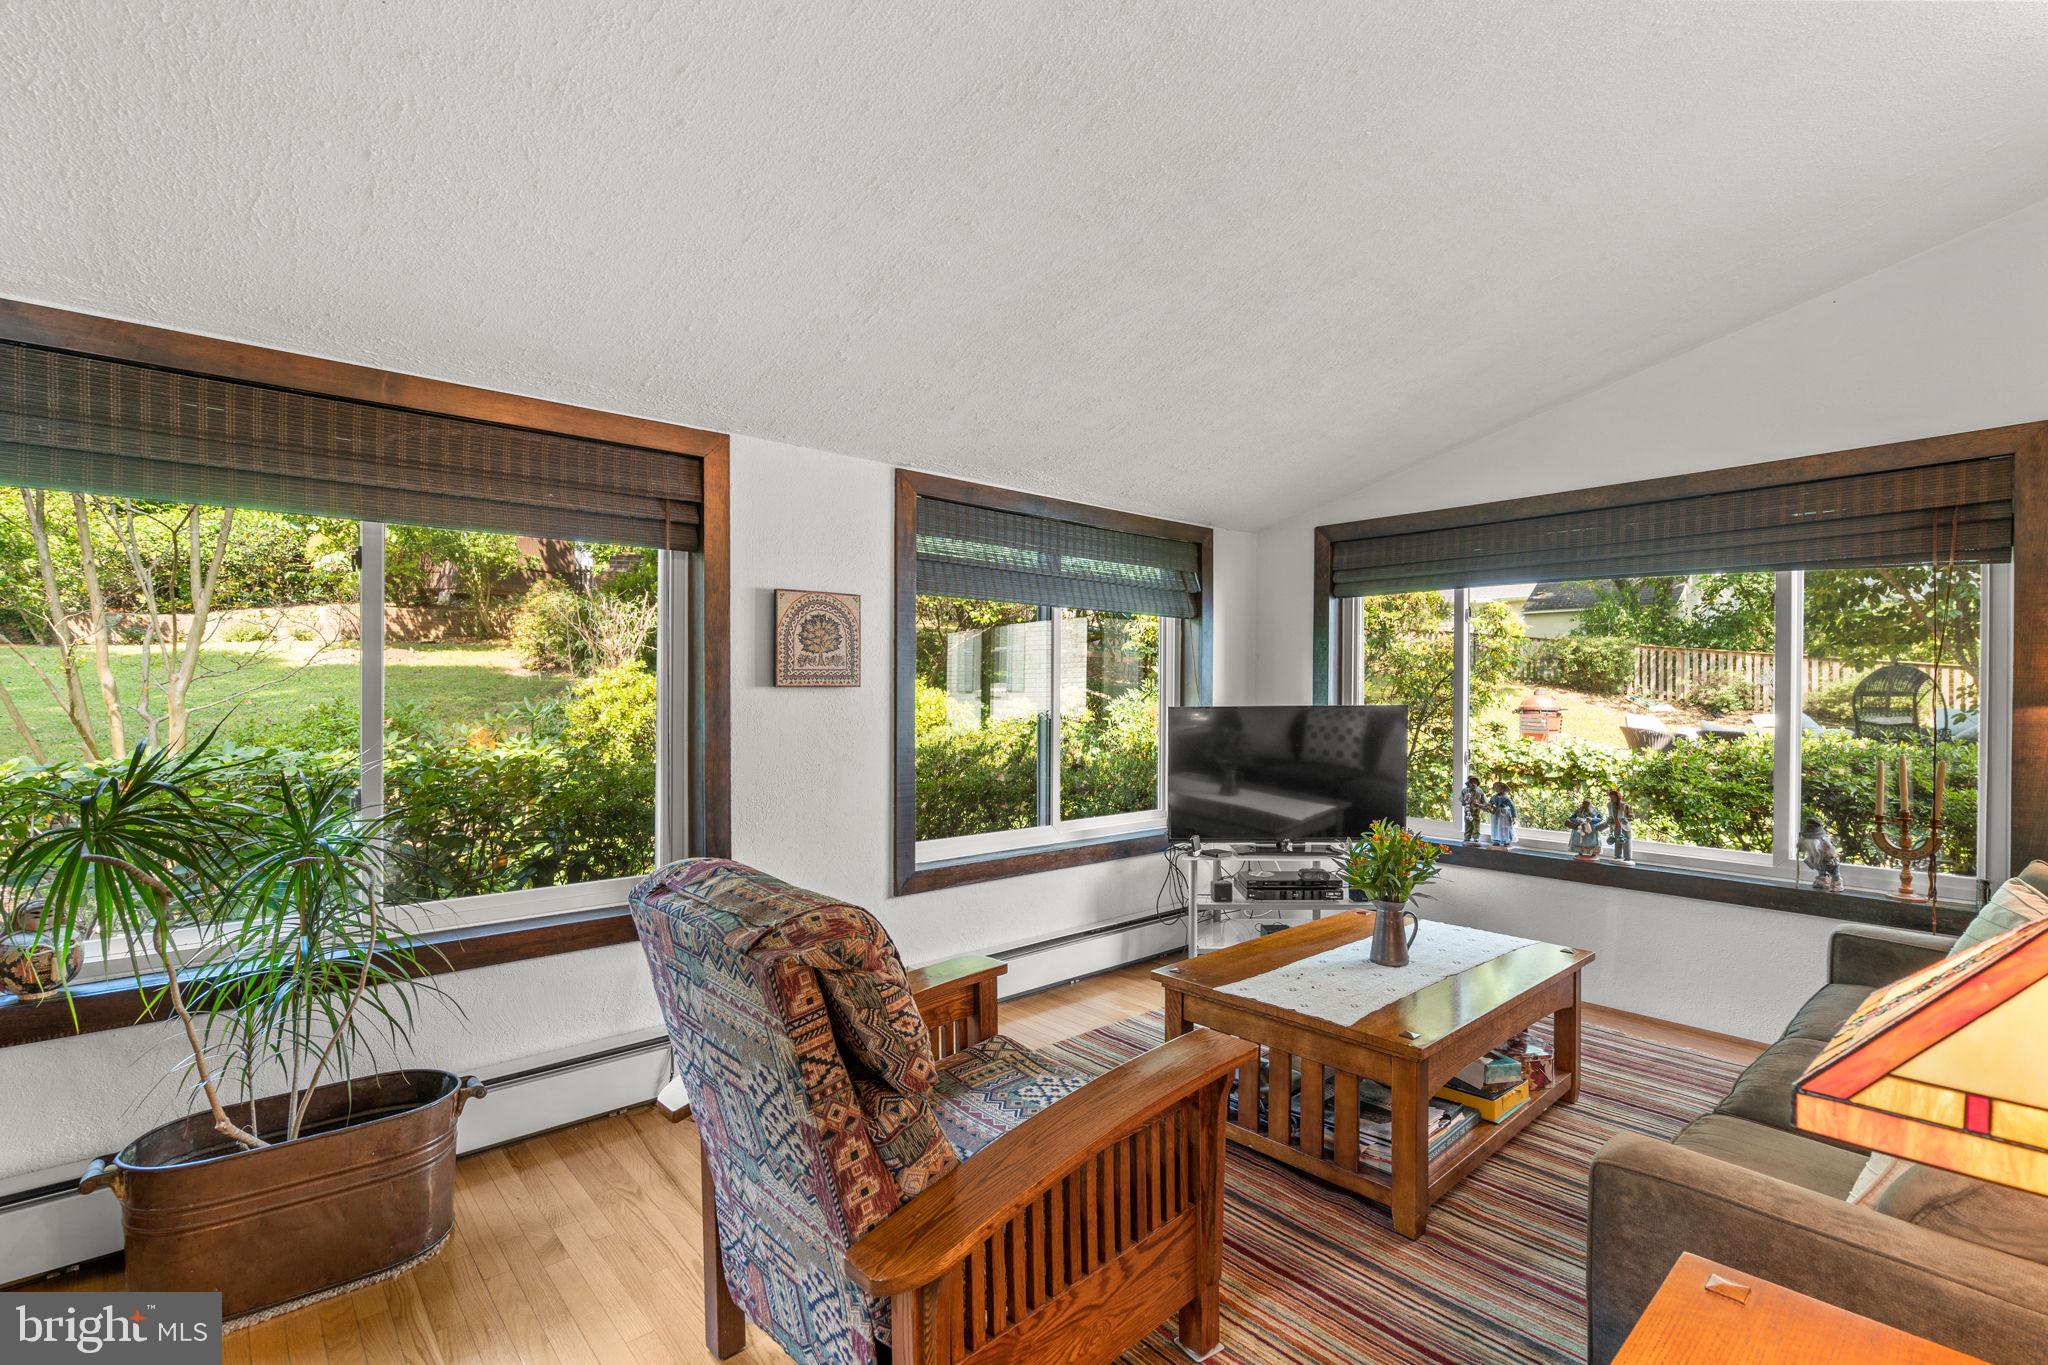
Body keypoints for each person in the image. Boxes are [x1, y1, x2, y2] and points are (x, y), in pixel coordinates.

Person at [1798, 816, 1842, 891]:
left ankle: (1836, 884)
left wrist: (1829, 857)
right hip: (1819, 860)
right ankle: (1823, 881)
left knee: (1834, 872)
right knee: (1821, 870)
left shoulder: (1824, 842)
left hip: (1829, 860)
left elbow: (1831, 852)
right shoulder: (1812, 844)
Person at [1605, 787, 1634, 863]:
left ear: (1617, 797)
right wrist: (1610, 821)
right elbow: (1610, 815)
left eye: (1613, 797)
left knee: (1626, 841)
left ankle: (1627, 857)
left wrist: (1626, 820)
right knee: (1617, 841)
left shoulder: (1625, 805)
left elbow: (1632, 816)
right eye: (1610, 797)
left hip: (1624, 827)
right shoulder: (1609, 805)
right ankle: (1618, 855)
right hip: (1615, 826)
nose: (1611, 798)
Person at [1460, 776, 1486, 843]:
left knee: (1476, 824)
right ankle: (1467, 836)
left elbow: (1484, 802)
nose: (1473, 783)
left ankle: (1476, 837)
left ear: (1477, 783)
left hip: (1476, 811)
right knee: (1468, 823)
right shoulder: (1464, 790)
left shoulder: (1480, 791)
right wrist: (1465, 799)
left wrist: (1480, 805)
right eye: (1471, 782)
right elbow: (1461, 800)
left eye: (1475, 782)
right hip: (1468, 811)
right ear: (1468, 783)